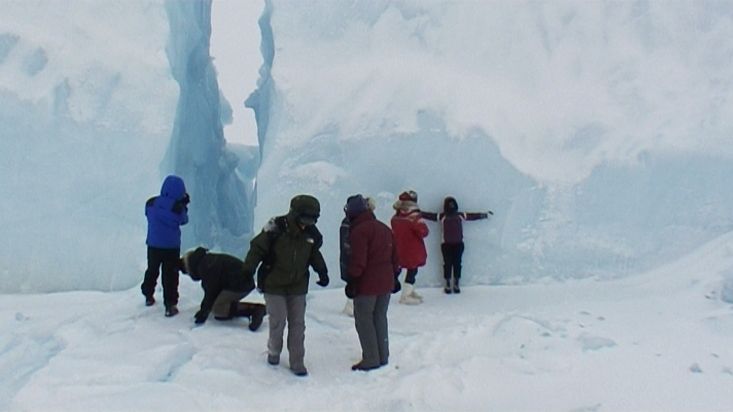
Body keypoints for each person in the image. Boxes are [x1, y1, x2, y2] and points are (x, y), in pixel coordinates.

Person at [242, 194, 329, 377]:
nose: (308, 223)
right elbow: (257, 249)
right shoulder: (276, 228)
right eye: (305, 218)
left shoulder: (311, 234)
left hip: (297, 285)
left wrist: (322, 271)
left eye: (313, 219)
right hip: (274, 283)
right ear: (295, 214)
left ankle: (297, 362)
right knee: (278, 321)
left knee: (297, 324)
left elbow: (314, 255)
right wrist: (247, 269)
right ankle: (274, 351)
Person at [343, 194, 400, 371]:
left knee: (364, 320)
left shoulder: (359, 231)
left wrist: (352, 280)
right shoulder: (384, 228)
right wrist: (395, 277)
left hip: (367, 285)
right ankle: (383, 355)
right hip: (386, 283)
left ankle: (371, 358)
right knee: (380, 317)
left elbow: (358, 261)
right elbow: (395, 258)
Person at [180, 247, 266, 331]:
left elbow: (212, 291)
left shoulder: (206, 266)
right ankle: (238, 308)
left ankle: (254, 309)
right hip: (242, 281)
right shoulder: (206, 260)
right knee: (215, 302)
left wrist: (204, 312)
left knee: (218, 308)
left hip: (240, 284)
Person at [422, 196, 492, 294]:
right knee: (448, 264)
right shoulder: (443, 216)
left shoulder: (459, 215)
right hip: (446, 244)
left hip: (457, 244)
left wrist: (484, 215)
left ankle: (456, 282)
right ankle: (448, 282)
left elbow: (473, 216)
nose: (451, 207)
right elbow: (430, 216)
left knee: (456, 263)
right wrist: (419, 213)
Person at [142, 175, 189, 317]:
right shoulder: (177, 208)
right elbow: (184, 220)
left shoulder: (151, 203)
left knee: (152, 270)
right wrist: (184, 205)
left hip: (153, 245)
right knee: (170, 275)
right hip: (171, 247)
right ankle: (170, 304)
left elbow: (148, 213)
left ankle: (148, 294)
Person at [340, 196, 378, 317]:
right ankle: (351, 306)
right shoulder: (350, 223)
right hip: (352, 259)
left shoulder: (352, 222)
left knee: (357, 281)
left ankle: (352, 305)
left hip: (354, 259)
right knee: (355, 281)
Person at [391, 190, 429, 305]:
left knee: (398, 268)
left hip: (399, 248)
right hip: (413, 250)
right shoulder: (414, 217)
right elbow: (424, 232)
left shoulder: (396, 216)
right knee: (412, 270)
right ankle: (406, 294)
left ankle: (407, 290)